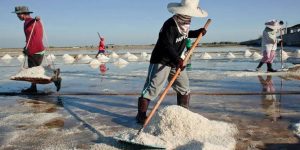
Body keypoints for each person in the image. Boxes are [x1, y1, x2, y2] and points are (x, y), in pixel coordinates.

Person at [136, 0, 208, 124]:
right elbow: (166, 45)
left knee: (184, 87)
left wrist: (197, 33)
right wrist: (177, 59)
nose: (189, 16)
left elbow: (184, 34)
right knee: (152, 89)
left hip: (176, 61)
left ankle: (183, 113)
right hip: (162, 61)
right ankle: (141, 116)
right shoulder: (170, 24)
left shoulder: (185, 22)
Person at [12, 6, 45, 93]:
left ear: (22, 14)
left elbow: (33, 21)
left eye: (18, 15)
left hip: (34, 50)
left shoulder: (30, 22)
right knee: (36, 69)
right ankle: (33, 87)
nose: (17, 16)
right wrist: (26, 47)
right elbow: (32, 37)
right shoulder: (36, 22)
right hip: (39, 48)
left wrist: (29, 49)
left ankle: (34, 88)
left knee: (33, 71)